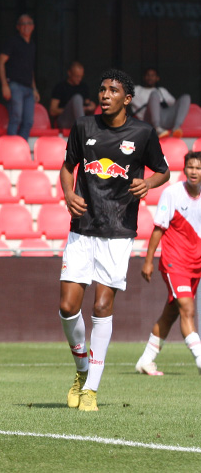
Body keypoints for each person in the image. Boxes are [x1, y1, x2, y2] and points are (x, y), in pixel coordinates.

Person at [58, 68, 169, 412]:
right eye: (102, 89)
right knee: (67, 307)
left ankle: (90, 389)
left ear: (128, 98)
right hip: (81, 229)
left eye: (112, 90)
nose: (104, 95)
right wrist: (67, 193)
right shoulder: (83, 126)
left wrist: (147, 184)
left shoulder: (143, 132)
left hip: (118, 232)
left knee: (102, 307)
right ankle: (81, 370)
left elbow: (163, 170)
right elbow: (67, 166)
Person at [134, 151, 201, 376]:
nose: (194, 172)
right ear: (184, 169)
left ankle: (146, 360)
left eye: (198, 168)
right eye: (191, 167)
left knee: (171, 313)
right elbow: (158, 228)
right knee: (188, 310)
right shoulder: (172, 193)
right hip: (174, 262)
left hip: (195, 264)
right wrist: (148, 261)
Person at [0, 14, 39, 139]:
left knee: (28, 122)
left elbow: (30, 69)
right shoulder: (13, 42)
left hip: (28, 88)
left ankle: (22, 150)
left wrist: (35, 88)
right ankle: (11, 149)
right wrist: (4, 85)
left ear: (33, 26)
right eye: (23, 24)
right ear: (18, 27)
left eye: (29, 23)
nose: (26, 26)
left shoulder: (32, 45)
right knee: (16, 118)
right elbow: (0, 62)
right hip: (15, 85)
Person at [132, 67, 192, 139]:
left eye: (153, 75)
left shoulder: (162, 90)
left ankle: (176, 128)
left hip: (165, 118)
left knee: (186, 97)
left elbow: (175, 105)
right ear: (144, 77)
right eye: (148, 75)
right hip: (148, 121)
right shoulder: (136, 90)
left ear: (157, 78)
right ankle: (157, 128)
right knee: (154, 94)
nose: (150, 77)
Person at [49, 61, 95, 131]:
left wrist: (90, 107)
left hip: (79, 119)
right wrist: (73, 108)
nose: (79, 79)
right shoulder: (60, 87)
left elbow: (88, 103)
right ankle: (83, 131)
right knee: (77, 98)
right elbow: (52, 111)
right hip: (65, 121)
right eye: (77, 76)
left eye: (81, 77)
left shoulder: (84, 87)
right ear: (69, 73)